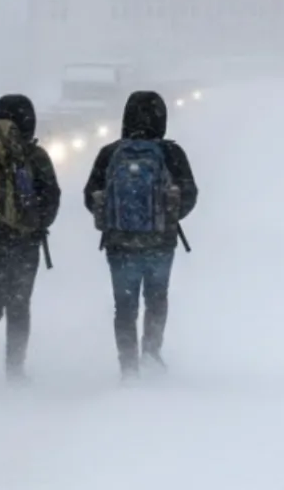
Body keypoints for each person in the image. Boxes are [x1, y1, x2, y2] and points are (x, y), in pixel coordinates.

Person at [83, 90, 197, 379]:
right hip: (160, 242)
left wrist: (113, 217)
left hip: (119, 243)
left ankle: (128, 366)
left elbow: (89, 195)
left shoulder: (110, 153)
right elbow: (190, 194)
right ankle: (151, 351)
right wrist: (167, 218)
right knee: (156, 298)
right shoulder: (171, 153)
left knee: (124, 305)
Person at [0, 94, 61, 383]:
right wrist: (37, 223)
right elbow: (51, 197)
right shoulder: (34, 156)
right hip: (22, 243)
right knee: (18, 306)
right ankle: (15, 369)